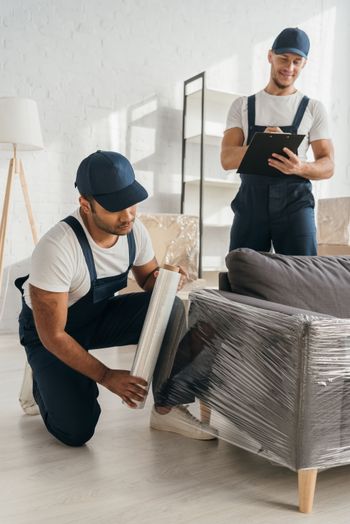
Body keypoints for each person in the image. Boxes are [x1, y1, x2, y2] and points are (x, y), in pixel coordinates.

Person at [16, 150, 216, 446]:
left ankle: (167, 407)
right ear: (85, 204)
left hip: (97, 316)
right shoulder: (57, 247)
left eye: (131, 203)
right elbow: (54, 335)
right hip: (50, 332)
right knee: (76, 431)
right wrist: (107, 375)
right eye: (114, 207)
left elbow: (148, 280)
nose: (128, 216)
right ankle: (40, 377)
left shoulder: (134, 231)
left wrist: (163, 280)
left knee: (169, 307)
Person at [221, 27, 334, 255]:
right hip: (251, 201)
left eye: (297, 62)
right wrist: (261, 144)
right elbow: (227, 159)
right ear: (270, 56)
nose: (289, 68)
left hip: (295, 201)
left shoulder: (313, 108)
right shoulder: (242, 105)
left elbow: (328, 164)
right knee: (243, 273)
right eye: (283, 59)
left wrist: (300, 166)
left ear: (304, 64)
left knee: (303, 274)